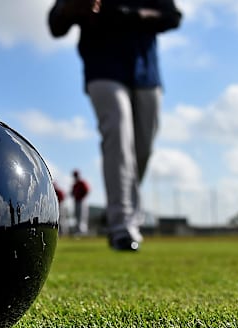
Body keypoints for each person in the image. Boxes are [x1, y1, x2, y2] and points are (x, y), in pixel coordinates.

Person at [48, 0, 183, 251]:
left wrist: (129, 14)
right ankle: (122, 227)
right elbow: (55, 24)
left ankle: (120, 213)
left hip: (146, 72)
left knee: (143, 149)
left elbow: (172, 17)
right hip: (103, 68)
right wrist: (72, 8)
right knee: (118, 139)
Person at [70, 170, 90, 235]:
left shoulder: (82, 182)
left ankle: (82, 232)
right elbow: (72, 193)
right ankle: (78, 231)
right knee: (77, 216)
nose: (75, 177)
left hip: (82, 201)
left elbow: (87, 190)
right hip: (76, 201)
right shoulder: (75, 184)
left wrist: (82, 197)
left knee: (82, 216)